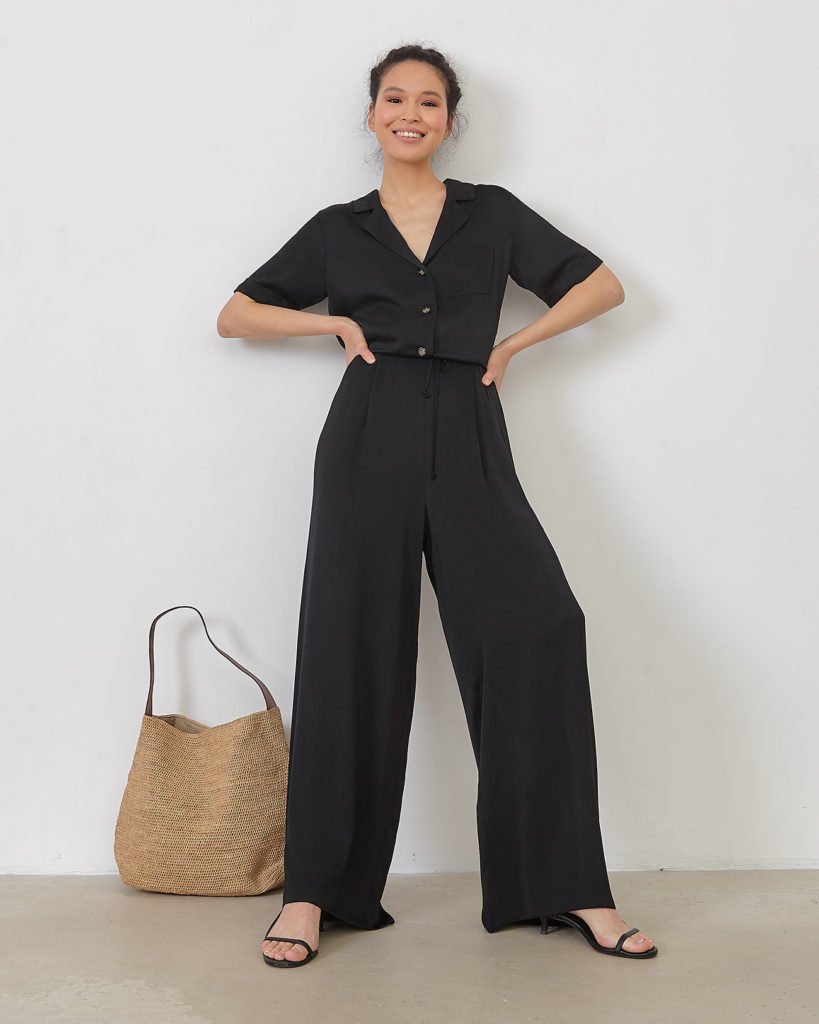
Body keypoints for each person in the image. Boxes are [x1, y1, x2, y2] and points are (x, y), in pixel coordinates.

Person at [217, 44, 659, 967]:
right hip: (367, 432)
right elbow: (236, 313)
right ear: (371, 115)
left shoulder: (490, 214)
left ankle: (568, 886)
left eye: (428, 101)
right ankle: (313, 895)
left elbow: (602, 285)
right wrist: (333, 322)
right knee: (347, 650)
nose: (409, 113)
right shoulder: (339, 228)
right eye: (394, 98)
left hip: (468, 424)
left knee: (539, 628)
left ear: (450, 121)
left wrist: (515, 344)